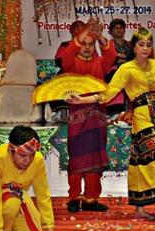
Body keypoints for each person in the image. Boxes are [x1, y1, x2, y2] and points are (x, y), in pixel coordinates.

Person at [67, 28, 155, 225]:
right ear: (133, 47)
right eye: (140, 44)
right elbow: (108, 94)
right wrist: (81, 101)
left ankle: (140, 208)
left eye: (148, 45)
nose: (145, 48)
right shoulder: (126, 69)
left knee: (145, 161)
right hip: (141, 117)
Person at [60, 17, 117, 213]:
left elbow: (112, 53)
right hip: (77, 119)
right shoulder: (71, 63)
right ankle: (74, 197)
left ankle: (92, 198)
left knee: (95, 159)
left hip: (97, 117)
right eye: (83, 43)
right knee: (77, 158)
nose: (87, 47)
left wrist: (98, 34)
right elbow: (68, 52)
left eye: (91, 44)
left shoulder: (101, 63)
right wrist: (86, 29)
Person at [52, 20, 88, 122]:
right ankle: (62, 113)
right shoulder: (65, 44)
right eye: (76, 28)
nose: (79, 30)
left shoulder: (88, 44)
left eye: (81, 28)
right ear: (72, 31)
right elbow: (59, 61)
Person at [104, 18, 133, 118]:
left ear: (124, 30)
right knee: (115, 97)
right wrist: (123, 58)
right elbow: (110, 59)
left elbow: (133, 59)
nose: (119, 30)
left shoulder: (130, 44)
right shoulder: (108, 45)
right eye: (116, 28)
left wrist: (121, 57)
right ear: (111, 31)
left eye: (121, 28)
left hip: (129, 75)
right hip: (113, 74)